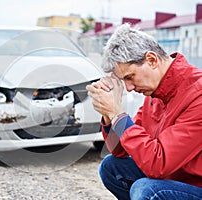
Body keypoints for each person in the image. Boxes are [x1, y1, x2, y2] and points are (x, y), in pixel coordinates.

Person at [86, 23, 202, 200]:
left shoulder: (197, 94)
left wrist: (117, 112)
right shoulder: (155, 92)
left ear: (152, 60)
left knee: (148, 190)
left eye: (130, 77)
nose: (129, 88)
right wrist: (108, 113)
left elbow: (157, 164)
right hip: (173, 180)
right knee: (111, 167)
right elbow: (120, 151)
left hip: (196, 186)